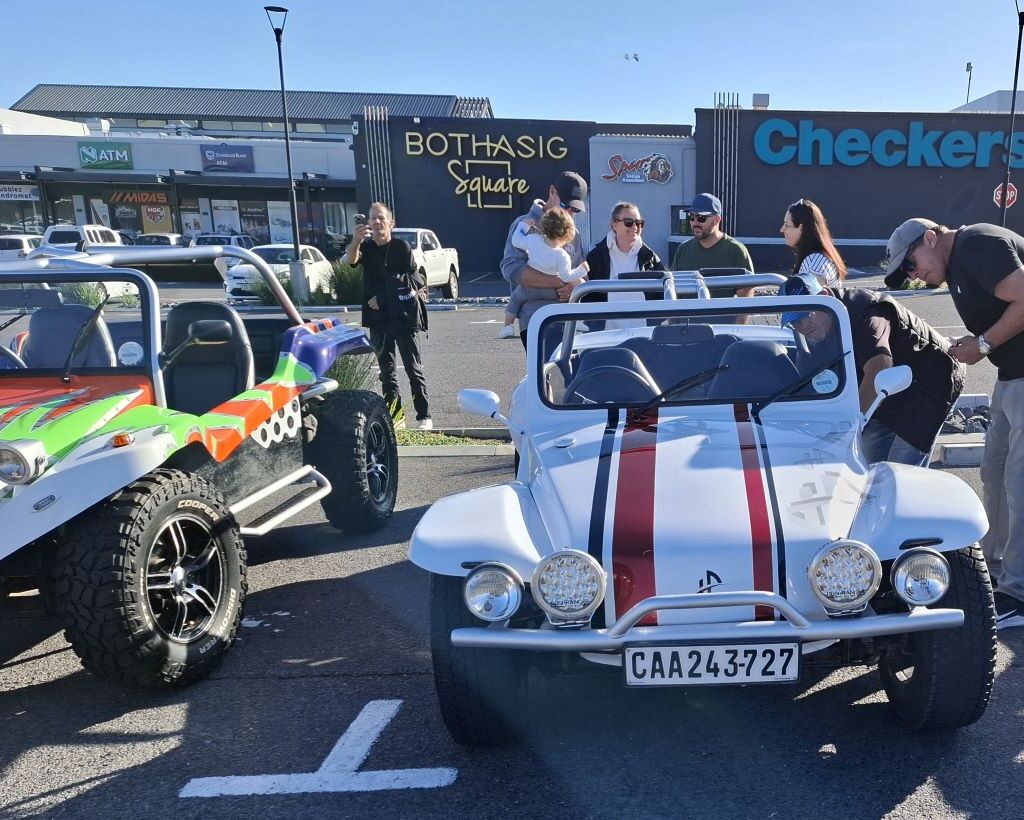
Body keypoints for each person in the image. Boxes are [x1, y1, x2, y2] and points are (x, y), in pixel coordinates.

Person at [883, 217, 1024, 630]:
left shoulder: (978, 243)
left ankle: (1018, 591)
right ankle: (996, 575)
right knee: (995, 474)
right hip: (1011, 376)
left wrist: (982, 344)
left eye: (911, 265)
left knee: (1019, 482)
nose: (914, 278)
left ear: (930, 238)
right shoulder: (964, 258)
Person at [781, 271, 964, 468]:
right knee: (864, 467)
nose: (803, 325)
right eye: (795, 321)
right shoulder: (819, 328)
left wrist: (848, 427)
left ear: (825, 298)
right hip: (884, 391)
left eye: (806, 315)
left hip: (929, 384)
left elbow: (880, 368)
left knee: (899, 473)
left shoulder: (866, 313)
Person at [346, 201, 431, 430]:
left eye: (381, 218)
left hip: (403, 317)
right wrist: (356, 240)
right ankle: (397, 418)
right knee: (387, 372)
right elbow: (350, 261)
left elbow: (415, 279)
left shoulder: (401, 247)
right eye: (372, 218)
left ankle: (424, 416)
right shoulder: (367, 248)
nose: (376, 222)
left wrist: (383, 297)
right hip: (378, 320)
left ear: (391, 222)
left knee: (413, 369)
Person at [501, 171, 588, 349]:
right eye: (566, 205)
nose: (569, 212)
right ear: (551, 192)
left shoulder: (574, 235)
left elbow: (581, 278)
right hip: (536, 317)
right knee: (544, 375)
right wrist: (558, 281)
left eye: (575, 209)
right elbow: (512, 269)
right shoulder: (526, 224)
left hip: (568, 319)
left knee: (570, 375)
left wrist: (574, 285)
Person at [584, 201, 665, 330]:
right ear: (614, 224)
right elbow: (586, 297)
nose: (635, 227)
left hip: (643, 338)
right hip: (604, 337)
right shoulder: (595, 257)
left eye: (639, 223)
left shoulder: (651, 258)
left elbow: (662, 298)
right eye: (629, 222)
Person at [670, 193, 754, 298]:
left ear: (717, 220)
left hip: (722, 314)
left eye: (701, 217)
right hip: (687, 314)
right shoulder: (682, 249)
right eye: (692, 216)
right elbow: (673, 290)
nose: (695, 222)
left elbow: (745, 300)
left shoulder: (736, 251)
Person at [780, 198, 847, 288]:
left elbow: (813, 299)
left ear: (801, 228)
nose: (782, 229)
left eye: (787, 225)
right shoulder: (819, 257)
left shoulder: (814, 263)